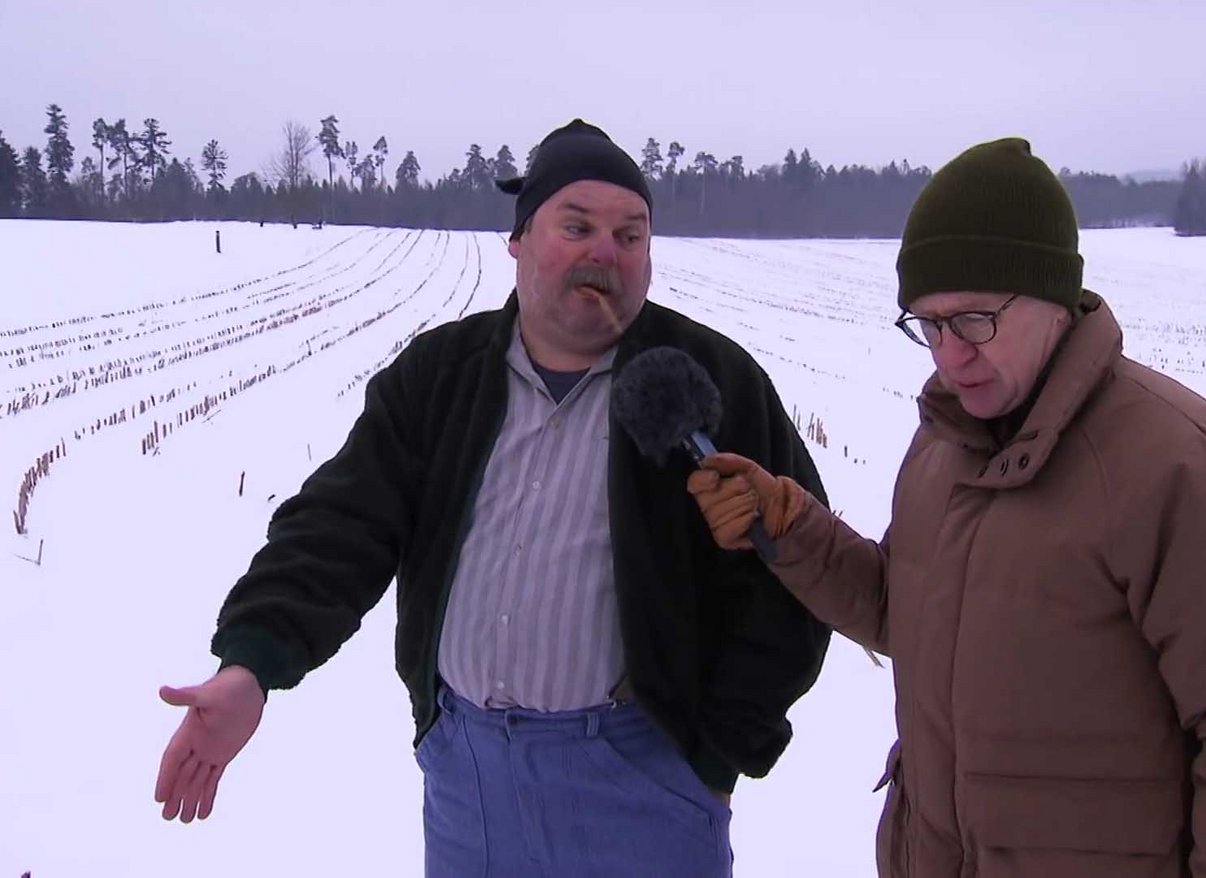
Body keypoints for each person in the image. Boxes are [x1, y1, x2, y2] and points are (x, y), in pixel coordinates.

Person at [154, 118, 831, 878]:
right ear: (519, 238)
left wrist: (711, 755)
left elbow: (800, 575)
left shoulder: (710, 382)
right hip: (467, 780)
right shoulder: (443, 375)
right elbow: (342, 525)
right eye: (576, 225)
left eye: (629, 234)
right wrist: (254, 663)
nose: (604, 250)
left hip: (644, 783)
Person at [687, 138, 1206, 876]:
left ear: (1054, 297)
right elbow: (912, 614)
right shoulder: (945, 448)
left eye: (972, 319)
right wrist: (792, 527)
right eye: (928, 326)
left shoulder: (1183, 468)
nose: (949, 355)